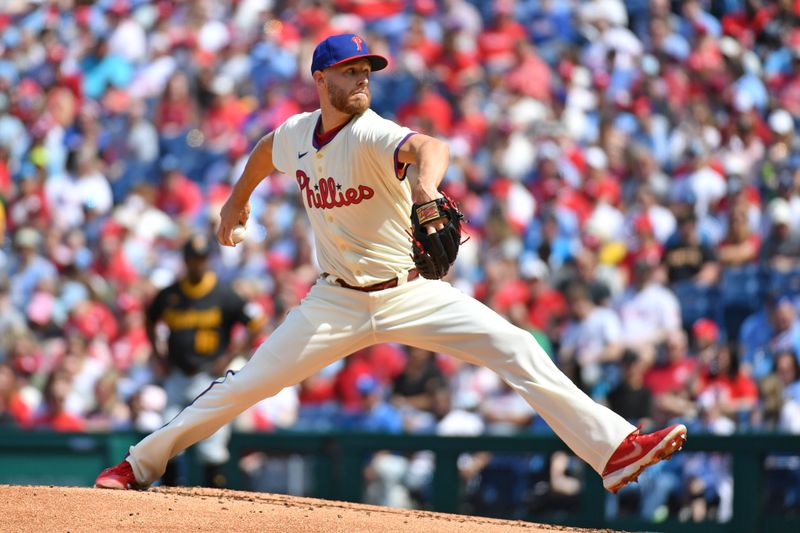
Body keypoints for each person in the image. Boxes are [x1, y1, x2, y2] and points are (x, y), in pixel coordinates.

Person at [95, 33, 686, 495]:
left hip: (409, 291)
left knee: (518, 348)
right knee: (245, 385)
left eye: (367, 71)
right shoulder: (299, 133)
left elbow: (431, 146)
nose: (362, 80)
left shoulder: (374, 134)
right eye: (350, 71)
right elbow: (262, 153)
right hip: (334, 301)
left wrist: (426, 189)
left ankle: (615, 451)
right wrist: (234, 202)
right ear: (321, 78)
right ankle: (139, 464)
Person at [143, 233, 266, 487]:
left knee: (212, 442)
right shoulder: (171, 294)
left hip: (209, 376)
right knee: (169, 439)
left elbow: (255, 322)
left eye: (201, 258)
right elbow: (149, 317)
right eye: (192, 258)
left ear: (208, 260)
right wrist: (157, 353)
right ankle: (168, 498)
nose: (197, 264)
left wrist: (231, 354)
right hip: (178, 375)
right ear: (185, 260)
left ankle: (213, 503)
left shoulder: (223, 293)